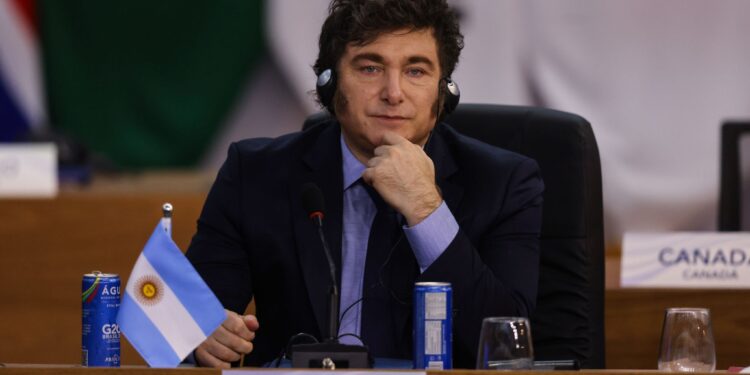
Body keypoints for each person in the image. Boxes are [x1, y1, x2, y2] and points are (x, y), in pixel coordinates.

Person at [185, 0, 543, 368]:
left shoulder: (503, 183)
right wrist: (204, 337)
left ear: (444, 91)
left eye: (416, 71)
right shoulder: (257, 173)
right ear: (330, 85)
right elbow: (189, 319)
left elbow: (505, 350)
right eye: (370, 68)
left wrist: (425, 208)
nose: (393, 92)